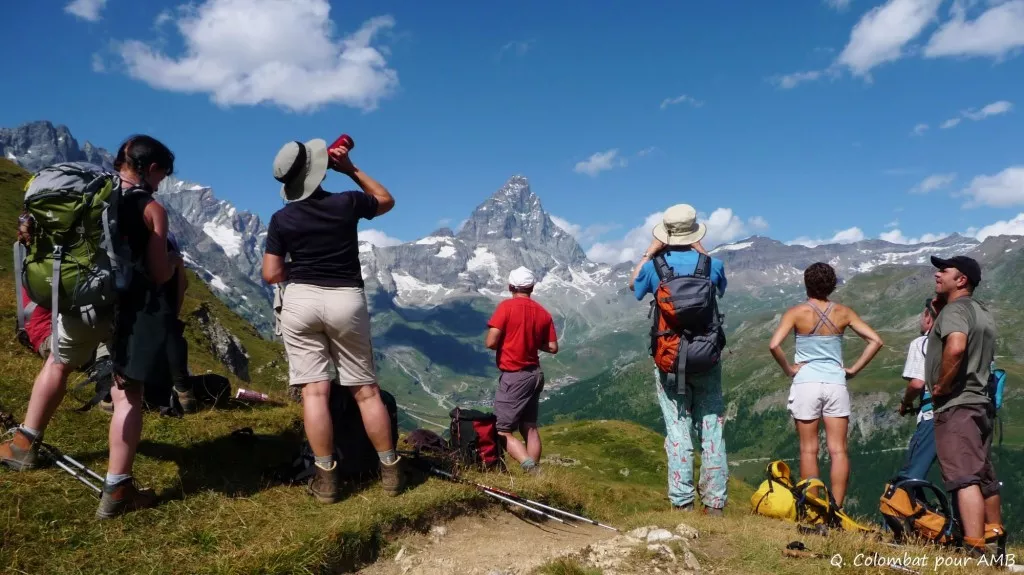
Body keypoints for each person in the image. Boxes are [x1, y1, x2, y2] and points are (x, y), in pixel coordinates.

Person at [1, 135, 179, 519]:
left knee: (57, 365)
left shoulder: (88, 195)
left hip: (79, 301)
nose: (161, 182)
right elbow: (159, 273)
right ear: (151, 169)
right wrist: (174, 263)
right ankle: (118, 489)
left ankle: (23, 445)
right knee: (127, 394)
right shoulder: (151, 208)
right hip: (126, 313)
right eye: (162, 174)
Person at [262, 136, 401, 504]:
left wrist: (299, 268)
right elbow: (386, 200)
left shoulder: (281, 219)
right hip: (345, 299)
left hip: (301, 301)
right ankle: (390, 471)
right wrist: (351, 169)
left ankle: (326, 479)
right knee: (366, 391)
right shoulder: (346, 203)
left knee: (314, 392)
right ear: (319, 171)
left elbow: (271, 273)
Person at [630, 204, 729, 515]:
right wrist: (701, 251)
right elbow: (720, 288)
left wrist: (649, 252)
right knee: (712, 427)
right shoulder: (712, 265)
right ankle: (714, 504)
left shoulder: (654, 268)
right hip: (707, 357)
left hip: (670, 357)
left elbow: (634, 287)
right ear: (695, 232)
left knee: (677, 428)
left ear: (665, 235)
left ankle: (682, 502)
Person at [768, 262, 883, 509]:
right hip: (835, 383)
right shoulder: (844, 312)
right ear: (832, 286)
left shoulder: (796, 312)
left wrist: (789, 369)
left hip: (806, 383)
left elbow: (774, 345)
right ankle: (837, 509)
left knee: (808, 450)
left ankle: (814, 508)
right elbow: (875, 340)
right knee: (838, 450)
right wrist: (853, 369)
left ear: (806, 284)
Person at [926, 255, 1002, 556]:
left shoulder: (955, 310)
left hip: (957, 403)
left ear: (961, 280)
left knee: (963, 476)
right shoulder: (981, 311)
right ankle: (994, 535)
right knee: (983, 474)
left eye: (944, 270)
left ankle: (974, 547)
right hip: (980, 402)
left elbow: (956, 347)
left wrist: (943, 385)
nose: (937, 274)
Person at [484, 267, 558, 474]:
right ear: (532, 288)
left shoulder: (506, 307)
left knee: (501, 430)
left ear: (510, 287)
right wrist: (531, 342)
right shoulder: (543, 312)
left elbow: (491, 342)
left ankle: (531, 469)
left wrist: (510, 340)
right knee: (529, 426)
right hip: (535, 374)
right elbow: (553, 347)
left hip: (515, 376)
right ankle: (534, 475)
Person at [894, 298, 939, 485]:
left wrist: (905, 403)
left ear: (928, 317)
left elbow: (917, 384)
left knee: (911, 476)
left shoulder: (923, 342)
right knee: (964, 479)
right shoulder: (968, 339)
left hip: (934, 416)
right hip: (970, 416)